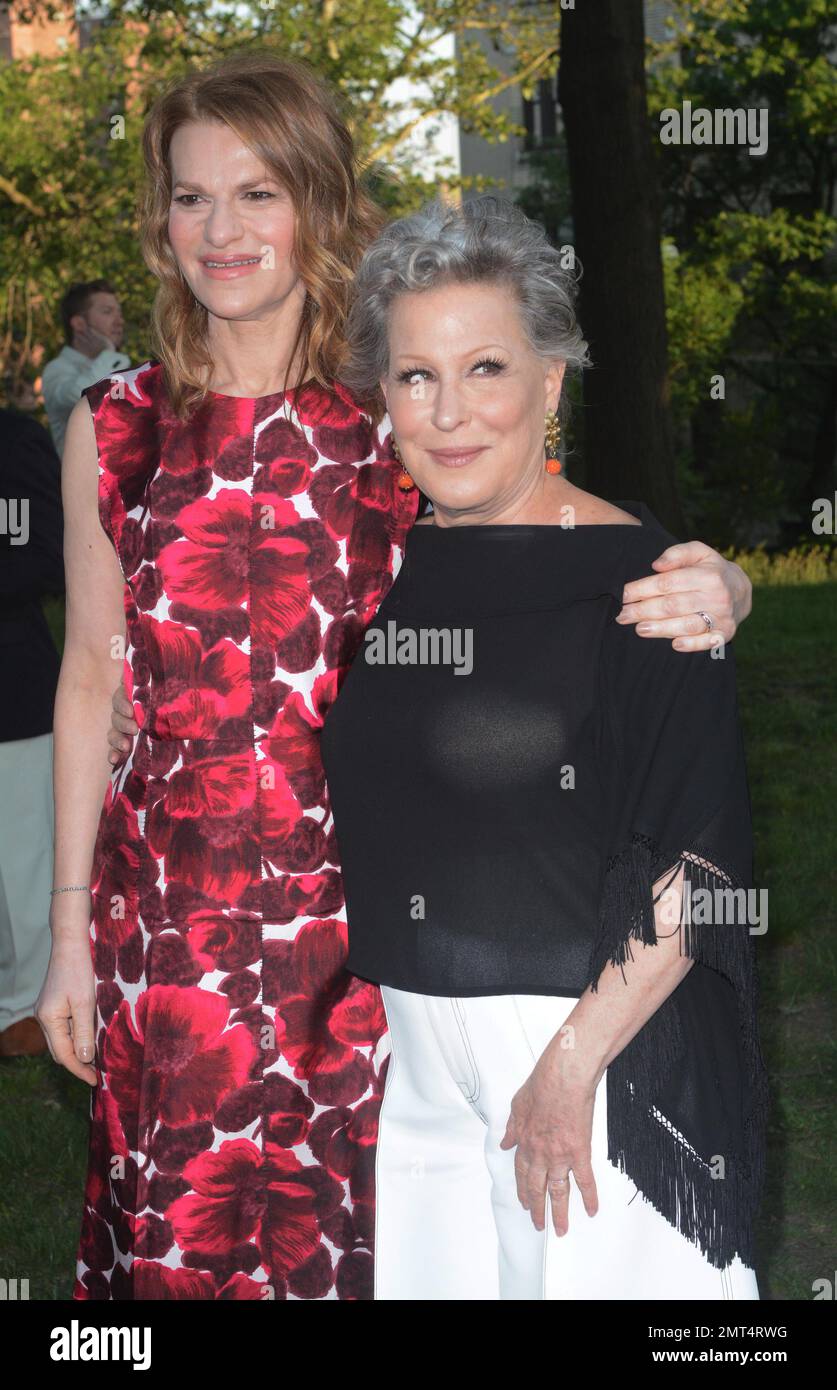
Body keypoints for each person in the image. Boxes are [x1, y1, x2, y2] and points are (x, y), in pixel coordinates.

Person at [38, 52, 755, 1303]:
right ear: (159, 218)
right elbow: (91, 681)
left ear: (315, 202)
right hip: (165, 923)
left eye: (257, 193)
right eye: (191, 196)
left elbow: (542, 535)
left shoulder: (387, 416)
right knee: (177, 1259)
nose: (221, 229)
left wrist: (717, 583)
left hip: (361, 945)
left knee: (383, 1257)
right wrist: (64, 938)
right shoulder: (114, 427)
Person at [319, 195, 770, 1300]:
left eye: (486, 368)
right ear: (385, 392)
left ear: (553, 381)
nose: (449, 411)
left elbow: (704, 878)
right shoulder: (369, 563)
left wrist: (572, 1067)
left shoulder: (650, 583)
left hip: (594, 1051)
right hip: (417, 1060)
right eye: (417, 375)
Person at [0, 404, 64, 1057]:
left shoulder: (11, 439)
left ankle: (27, 1011)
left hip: (10, 692)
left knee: (22, 864)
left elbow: (39, 552)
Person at [41, 281, 130, 456]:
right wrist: (108, 354)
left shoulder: (116, 363)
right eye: (107, 312)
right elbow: (80, 399)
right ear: (79, 324)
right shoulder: (57, 369)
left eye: (119, 313)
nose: (120, 321)